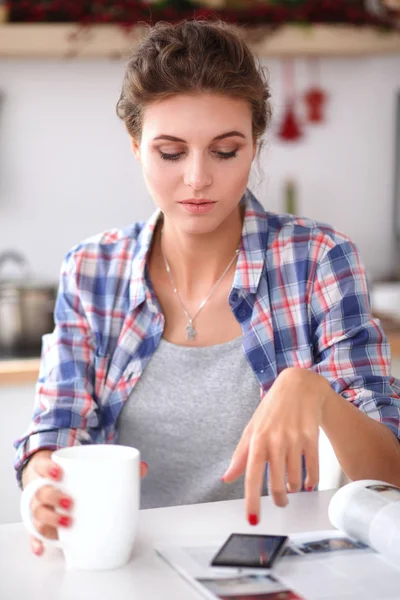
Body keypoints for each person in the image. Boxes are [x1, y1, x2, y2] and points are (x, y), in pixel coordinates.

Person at [14, 19, 400, 558]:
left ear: (255, 146)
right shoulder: (91, 269)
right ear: (136, 147)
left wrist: (312, 391)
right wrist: (41, 485)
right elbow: (54, 433)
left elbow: (389, 477)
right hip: (131, 564)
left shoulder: (318, 260)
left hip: (283, 568)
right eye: (171, 153)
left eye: (225, 151)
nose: (197, 179)